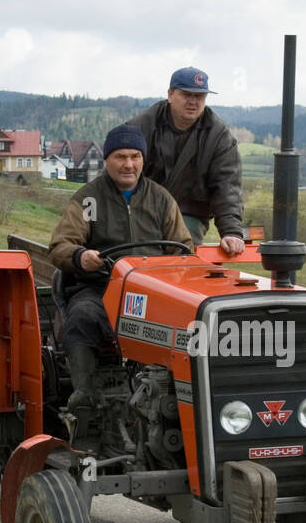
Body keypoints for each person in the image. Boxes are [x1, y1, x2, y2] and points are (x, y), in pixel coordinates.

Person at [48, 124, 192, 437]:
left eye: (135, 156)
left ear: (143, 160)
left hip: (152, 293)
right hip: (99, 288)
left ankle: (182, 398)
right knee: (82, 315)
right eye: (120, 156)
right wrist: (80, 257)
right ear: (108, 160)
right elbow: (60, 246)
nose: (128, 164)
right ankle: (84, 395)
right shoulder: (88, 199)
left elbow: (184, 249)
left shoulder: (161, 200)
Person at [128, 66, 246, 255]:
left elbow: (227, 187)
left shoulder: (219, 137)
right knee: (135, 252)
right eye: (186, 94)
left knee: (182, 254)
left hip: (189, 212)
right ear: (170, 95)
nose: (193, 102)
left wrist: (231, 231)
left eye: (199, 96)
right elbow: (121, 169)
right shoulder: (143, 126)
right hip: (143, 209)